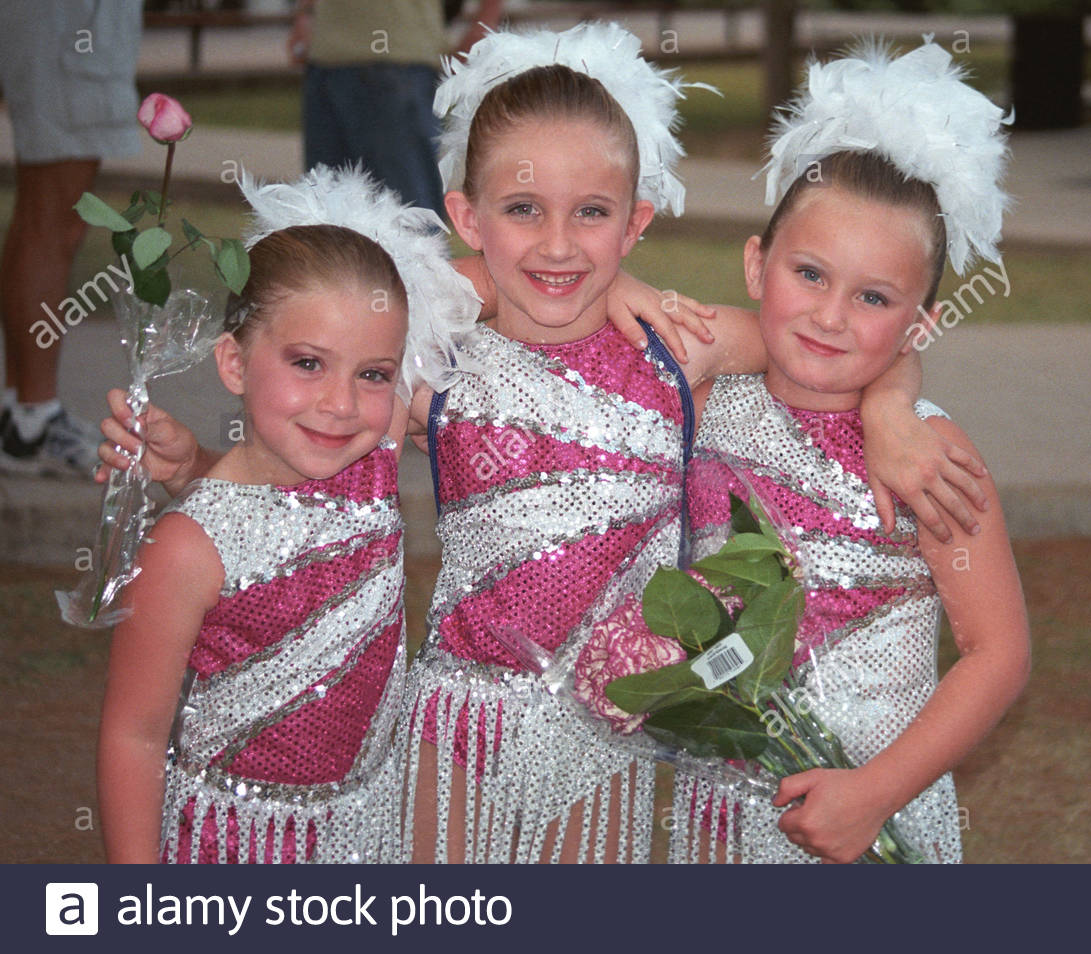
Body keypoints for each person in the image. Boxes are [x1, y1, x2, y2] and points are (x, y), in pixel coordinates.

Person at [402, 24, 990, 864]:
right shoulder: (448, 359)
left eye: (593, 215)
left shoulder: (678, 358)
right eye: (524, 209)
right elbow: (374, 320)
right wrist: (600, 275)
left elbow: (849, 350)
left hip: (617, 754)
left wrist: (895, 406)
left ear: (635, 220)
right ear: (468, 216)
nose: (560, 243)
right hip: (462, 725)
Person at [673, 39, 1031, 864]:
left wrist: (874, 792)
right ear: (757, 265)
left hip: (880, 809)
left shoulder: (930, 454)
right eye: (810, 274)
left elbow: (999, 654)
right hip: (717, 818)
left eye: (872, 297)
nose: (830, 316)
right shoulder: (703, 403)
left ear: (920, 326)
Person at [97, 223, 415, 863]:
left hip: (369, 844)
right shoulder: (186, 548)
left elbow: (500, 276)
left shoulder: (372, 466)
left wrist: (629, 285)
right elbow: (133, 737)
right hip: (233, 850)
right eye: (308, 363)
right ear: (235, 363)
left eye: (375, 374)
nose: (341, 403)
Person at [0, 0, 142, 476]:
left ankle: (19, 408)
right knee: (55, 219)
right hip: (69, 22)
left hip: (64, 25)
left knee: (41, 214)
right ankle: (32, 422)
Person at [287, 0, 504, 221]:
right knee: (327, 221)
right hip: (326, 59)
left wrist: (483, 23)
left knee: (410, 217)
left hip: (399, 58)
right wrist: (305, 14)